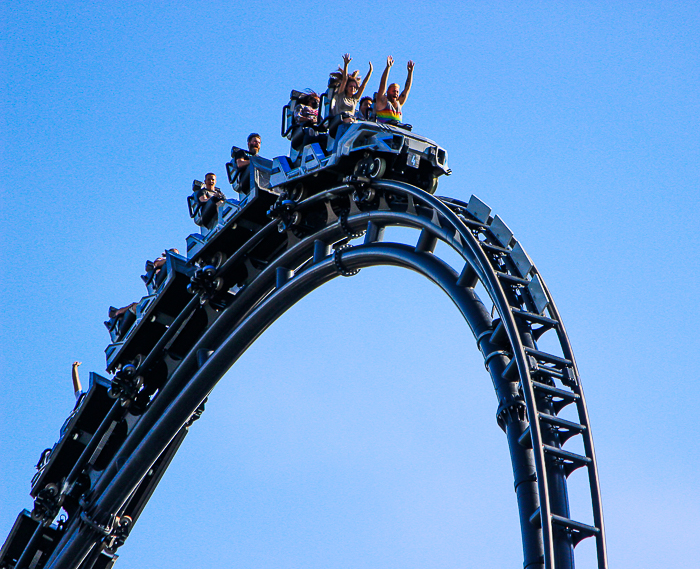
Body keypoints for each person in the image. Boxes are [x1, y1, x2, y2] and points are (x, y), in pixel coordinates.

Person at [375, 56, 414, 125]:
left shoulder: (399, 103)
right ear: (388, 92)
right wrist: (388, 68)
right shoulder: (382, 101)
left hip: (396, 133)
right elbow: (383, 84)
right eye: (393, 91)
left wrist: (410, 73)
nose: (396, 93)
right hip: (384, 133)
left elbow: (407, 89)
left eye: (397, 92)